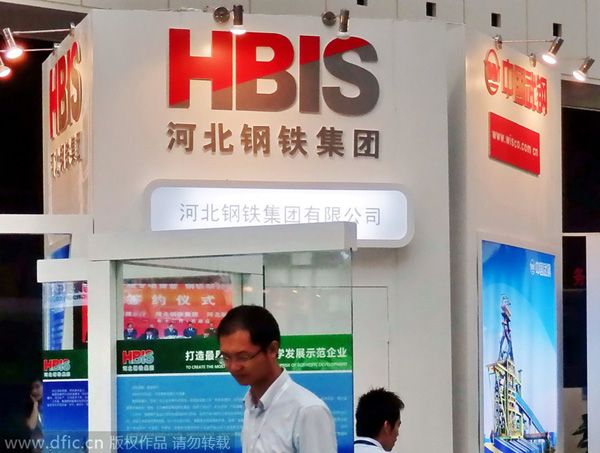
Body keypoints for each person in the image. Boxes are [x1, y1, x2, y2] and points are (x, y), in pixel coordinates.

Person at [217, 305, 337, 453]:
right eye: (226, 357)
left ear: (272, 350)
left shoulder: (308, 411)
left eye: (243, 357)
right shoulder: (251, 406)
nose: (234, 366)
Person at [26, 379, 43, 453]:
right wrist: (35, 405)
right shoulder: (29, 408)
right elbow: (32, 426)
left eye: (37, 387)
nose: (34, 391)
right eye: (32, 388)